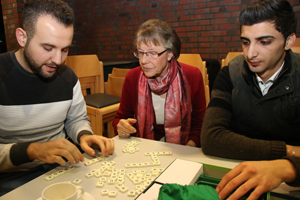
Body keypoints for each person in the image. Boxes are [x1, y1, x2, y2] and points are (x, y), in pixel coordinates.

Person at [0, 0, 114, 195]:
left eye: (65, 49)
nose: (58, 60)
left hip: (63, 168)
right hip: (12, 177)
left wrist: (84, 135)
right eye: (48, 48)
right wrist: (32, 150)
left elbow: (76, 119)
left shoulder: (68, 77)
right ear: (22, 37)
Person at [201, 0, 300, 198]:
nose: (250, 53)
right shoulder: (229, 74)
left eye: (264, 42)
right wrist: (288, 151)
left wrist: (287, 168)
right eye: (246, 42)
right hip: (237, 176)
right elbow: (211, 138)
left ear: (289, 41)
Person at [112, 19, 206, 147]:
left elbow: (200, 123)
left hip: (183, 147)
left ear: (170, 54)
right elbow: (121, 118)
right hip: (144, 145)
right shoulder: (133, 77)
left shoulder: (192, 76)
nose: (144, 60)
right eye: (140, 52)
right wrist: (121, 127)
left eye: (152, 53)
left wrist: (189, 147)